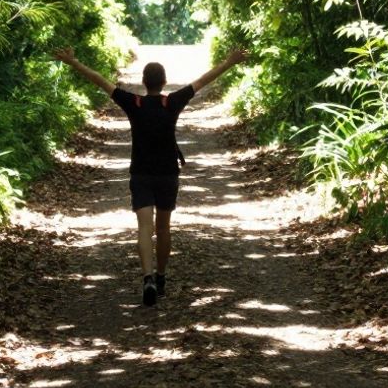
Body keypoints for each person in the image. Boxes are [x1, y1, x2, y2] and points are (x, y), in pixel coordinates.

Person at [53, 46, 249, 306]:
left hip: (141, 173)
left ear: (144, 83)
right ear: (164, 82)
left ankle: (147, 278)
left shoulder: (134, 103)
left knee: (144, 228)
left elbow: (101, 81)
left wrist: (74, 62)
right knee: (164, 227)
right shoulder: (173, 101)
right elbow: (203, 80)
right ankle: (161, 276)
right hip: (168, 173)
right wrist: (230, 61)